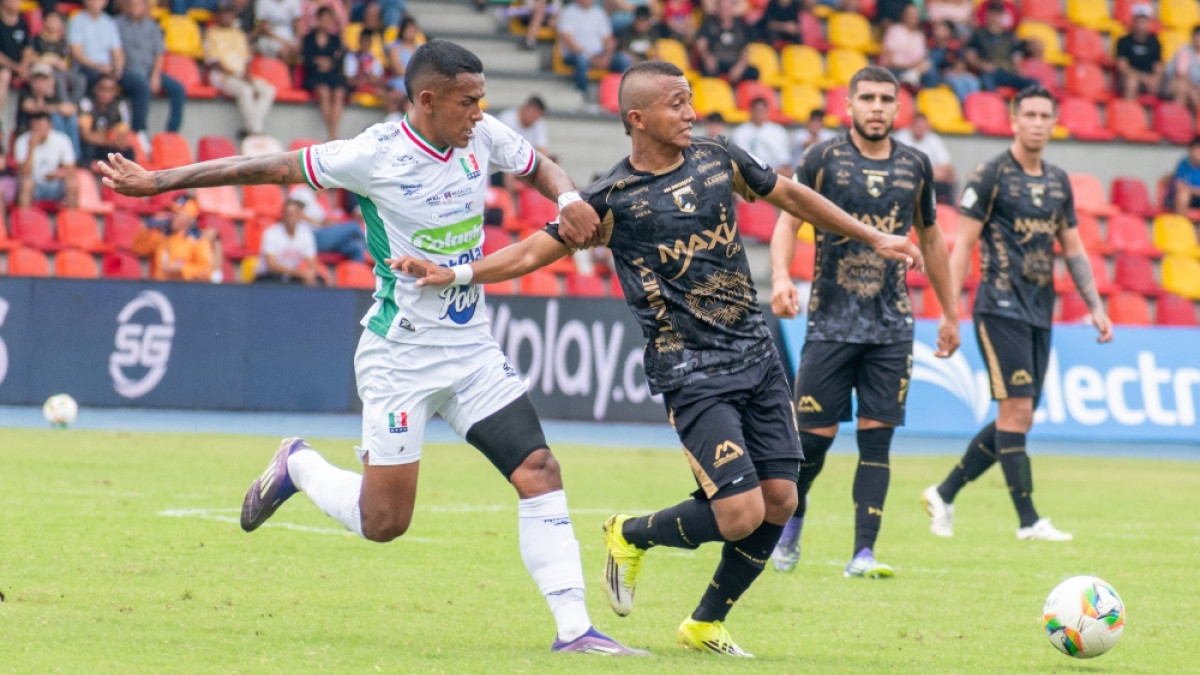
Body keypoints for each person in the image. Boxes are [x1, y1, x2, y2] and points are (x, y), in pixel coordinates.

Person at [98, 39, 644, 657]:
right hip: (400, 357)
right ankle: (298, 465)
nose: (480, 112)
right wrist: (162, 181)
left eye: (482, 100)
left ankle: (575, 631)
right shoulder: (372, 154)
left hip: (470, 350)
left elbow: (540, 166)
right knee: (385, 523)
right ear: (428, 100)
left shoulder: (482, 133)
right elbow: (268, 167)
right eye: (468, 101)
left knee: (539, 470)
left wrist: (569, 199)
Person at [386, 60, 924, 657]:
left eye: (691, 100)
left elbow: (790, 196)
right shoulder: (609, 199)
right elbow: (529, 254)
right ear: (638, 118)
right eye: (676, 103)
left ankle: (705, 623)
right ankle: (630, 533)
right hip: (691, 372)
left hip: (758, 355)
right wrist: (456, 272)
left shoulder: (721, 158)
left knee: (783, 498)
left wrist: (872, 236)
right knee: (742, 510)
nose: (691, 112)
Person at [766, 66, 959, 579]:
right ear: (849, 105)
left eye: (886, 99)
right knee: (810, 443)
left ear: (899, 109)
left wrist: (949, 312)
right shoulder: (822, 158)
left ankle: (863, 553)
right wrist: (782, 277)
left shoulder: (917, 165)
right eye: (867, 98)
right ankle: (792, 523)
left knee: (878, 440)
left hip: (891, 326)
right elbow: (788, 219)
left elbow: (932, 239)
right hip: (830, 323)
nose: (876, 106)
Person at [921, 85, 1114, 542]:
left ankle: (943, 492)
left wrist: (1097, 306)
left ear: (1053, 122)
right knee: (1018, 408)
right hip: (998, 307)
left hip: (1039, 311)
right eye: (1029, 113)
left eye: (1045, 114)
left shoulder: (1058, 182)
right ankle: (1028, 522)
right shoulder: (990, 175)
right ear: (1013, 120)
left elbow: (1073, 248)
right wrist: (951, 310)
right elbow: (963, 243)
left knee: (1017, 418)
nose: (1037, 122)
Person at [66, 0, 152, 141]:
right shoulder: (76, 21)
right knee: (95, 80)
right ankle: (88, 126)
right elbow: (77, 54)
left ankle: (138, 132)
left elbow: (117, 51)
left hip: (108, 68)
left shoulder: (109, 22)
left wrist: (118, 68)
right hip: (87, 68)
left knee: (140, 84)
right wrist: (98, 66)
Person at [205, 0, 276, 137]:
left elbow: (247, 59)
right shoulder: (212, 33)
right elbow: (213, 62)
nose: (228, 17)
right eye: (224, 13)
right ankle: (256, 131)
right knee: (246, 90)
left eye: (230, 14)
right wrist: (237, 75)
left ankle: (249, 127)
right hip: (222, 76)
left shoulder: (239, 34)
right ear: (218, 16)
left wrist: (247, 75)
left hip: (241, 75)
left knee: (268, 90)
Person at [117, 0, 186, 134]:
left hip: (149, 70)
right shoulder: (117, 24)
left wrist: (155, 75)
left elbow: (159, 54)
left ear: (145, 7)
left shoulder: (153, 26)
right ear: (126, 6)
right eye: (132, 5)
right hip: (127, 72)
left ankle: (172, 131)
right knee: (142, 85)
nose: (135, 8)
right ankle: (139, 130)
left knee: (178, 89)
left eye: (138, 5)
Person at [557, 0, 632, 108]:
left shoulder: (599, 13)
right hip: (575, 54)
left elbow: (608, 39)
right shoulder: (568, 12)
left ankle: (621, 100)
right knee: (582, 61)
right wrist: (590, 57)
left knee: (622, 60)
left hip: (599, 54)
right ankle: (582, 100)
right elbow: (568, 41)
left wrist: (606, 56)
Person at [966, 2, 1039, 93]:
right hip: (991, 72)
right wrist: (982, 65)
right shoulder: (978, 34)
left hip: (1009, 72)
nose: (995, 17)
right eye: (992, 13)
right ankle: (995, 105)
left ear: (1002, 16)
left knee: (1034, 83)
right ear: (987, 14)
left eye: (998, 14)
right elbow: (970, 56)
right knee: (987, 80)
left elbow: (1016, 57)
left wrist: (1019, 70)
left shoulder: (1010, 36)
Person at [14, 111, 79, 208]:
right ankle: (24, 219)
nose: (38, 130)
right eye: (35, 127)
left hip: (54, 184)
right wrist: (31, 148)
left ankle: (73, 220)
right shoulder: (22, 141)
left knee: (72, 184)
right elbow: (24, 173)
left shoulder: (62, 140)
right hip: (33, 185)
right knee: (26, 184)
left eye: (41, 127)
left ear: (49, 126)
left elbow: (70, 170)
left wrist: (57, 175)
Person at [301, 6, 348, 140]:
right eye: (323, 19)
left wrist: (329, 64)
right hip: (314, 74)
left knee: (339, 92)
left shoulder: (335, 39)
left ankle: (332, 132)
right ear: (317, 20)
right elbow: (307, 58)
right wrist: (320, 63)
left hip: (331, 74)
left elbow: (339, 59)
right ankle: (332, 133)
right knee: (323, 91)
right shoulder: (308, 38)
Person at [18, 62, 81, 156]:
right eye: (37, 80)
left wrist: (53, 106)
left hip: (50, 136)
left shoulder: (55, 96)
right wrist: (56, 108)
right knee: (56, 117)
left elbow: (70, 109)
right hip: (28, 134)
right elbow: (32, 107)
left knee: (71, 119)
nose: (40, 83)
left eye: (43, 80)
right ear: (31, 81)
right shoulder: (25, 94)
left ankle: (73, 155)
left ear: (50, 81)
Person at [255, 198, 323, 285]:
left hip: (291, 277)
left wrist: (310, 275)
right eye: (289, 214)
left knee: (318, 281)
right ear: (283, 215)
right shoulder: (271, 233)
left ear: (300, 215)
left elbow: (312, 263)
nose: (292, 217)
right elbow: (272, 265)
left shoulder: (306, 234)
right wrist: (300, 274)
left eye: (295, 214)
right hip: (270, 276)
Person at [894, 112, 956, 203]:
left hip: (930, 181)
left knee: (950, 178)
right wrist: (928, 173)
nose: (920, 128)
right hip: (904, 180)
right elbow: (894, 164)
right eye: (918, 125)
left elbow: (948, 168)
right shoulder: (900, 137)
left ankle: (945, 213)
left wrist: (924, 173)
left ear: (928, 127)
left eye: (923, 126)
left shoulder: (934, 140)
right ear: (911, 125)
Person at [695, 0, 758, 84]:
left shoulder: (740, 25)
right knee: (707, 70)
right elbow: (701, 43)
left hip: (733, 61)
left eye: (727, 9)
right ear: (717, 9)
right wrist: (707, 57)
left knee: (753, 72)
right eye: (722, 8)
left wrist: (740, 65)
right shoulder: (709, 22)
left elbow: (745, 50)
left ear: (732, 9)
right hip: (716, 60)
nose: (724, 12)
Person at [153, 196, 215, 281]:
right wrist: (149, 227)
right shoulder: (161, 235)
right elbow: (139, 249)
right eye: (171, 213)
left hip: (185, 289)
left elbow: (206, 269)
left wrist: (181, 269)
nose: (172, 217)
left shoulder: (198, 240)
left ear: (188, 219)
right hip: (158, 287)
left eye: (176, 214)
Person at [78, 74, 135, 166]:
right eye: (103, 89)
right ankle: (86, 175)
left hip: (111, 146)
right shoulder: (87, 103)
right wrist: (108, 139)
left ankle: (129, 179)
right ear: (95, 89)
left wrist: (111, 140)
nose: (106, 93)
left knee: (128, 151)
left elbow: (123, 137)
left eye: (110, 90)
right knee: (88, 148)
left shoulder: (121, 105)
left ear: (115, 91)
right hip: (93, 146)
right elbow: (86, 135)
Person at [730, 97, 791, 176]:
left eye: (761, 111)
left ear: (767, 112)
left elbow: (784, 161)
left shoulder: (778, 131)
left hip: (774, 173)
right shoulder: (740, 133)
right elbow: (740, 160)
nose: (758, 115)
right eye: (756, 111)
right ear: (750, 112)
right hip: (750, 174)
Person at [1115, 4, 1163, 102]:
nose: (1141, 24)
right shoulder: (1124, 41)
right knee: (1131, 82)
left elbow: (1158, 66)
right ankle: (1128, 114)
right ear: (1133, 21)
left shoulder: (1155, 42)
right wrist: (1144, 78)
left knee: (1172, 86)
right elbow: (1122, 67)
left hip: (1148, 80)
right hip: (1129, 78)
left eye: (1144, 21)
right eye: (1139, 21)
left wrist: (1155, 79)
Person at [880, 4, 930, 88]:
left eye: (915, 14)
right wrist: (910, 67)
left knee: (930, 72)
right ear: (903, 15)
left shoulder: (920, 36)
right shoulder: (894, 30)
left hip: (913, 71)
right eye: (910, 14)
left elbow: (921, 59)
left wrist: (913, 69)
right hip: (894, 69)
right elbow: (890, 60)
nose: (913, 17)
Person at [0, 0, 32, 125]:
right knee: (4, 75)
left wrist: (24, 66)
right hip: (5, 68)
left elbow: (28, 49)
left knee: (41, 75)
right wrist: (15, 67)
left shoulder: (22, 23)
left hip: (19, 67)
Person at [1167, 27, 1200, 113]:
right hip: (1181, 84)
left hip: (1196, 87)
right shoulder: (1185, 51)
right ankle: (1177, 119)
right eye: (1198, 36)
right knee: (1182, 88)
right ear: (1193, 38)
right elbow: (1182, 76)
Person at [1171, 136, 1200, 215]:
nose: (1198, 153)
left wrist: (1190, 189)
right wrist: (1194, 190)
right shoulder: (1183, 164)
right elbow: (1178, 185)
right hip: (1188, 198)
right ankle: (1180, 224)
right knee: (1183, 196)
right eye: (1196, 149)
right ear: (1190, 150)